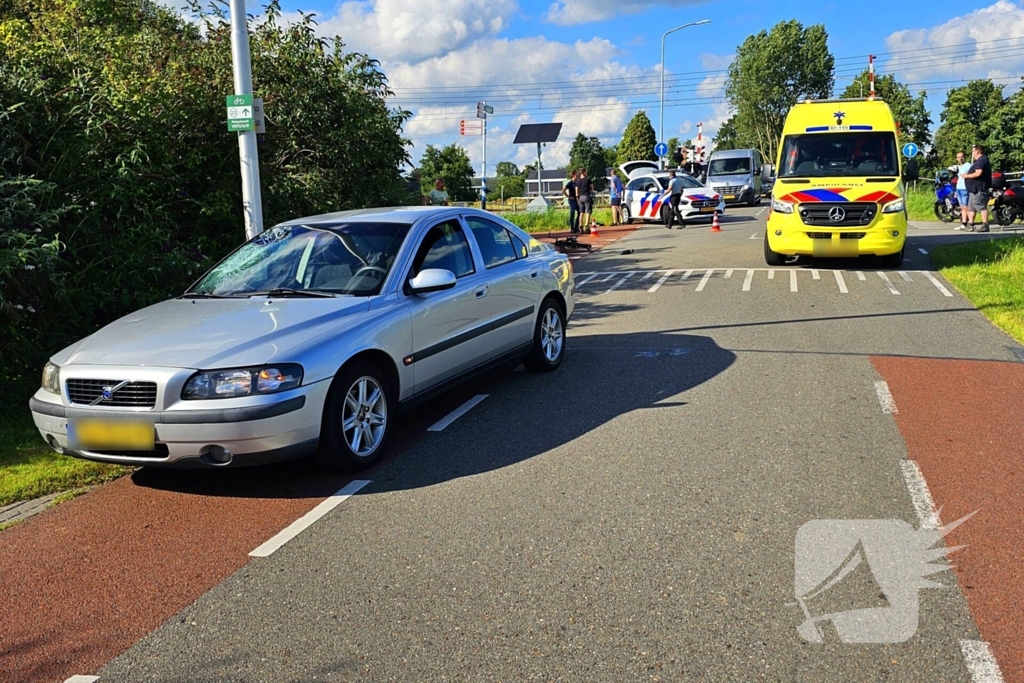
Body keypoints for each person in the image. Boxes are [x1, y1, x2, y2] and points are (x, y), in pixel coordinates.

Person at [961, 144, 991, 232]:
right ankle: (970, 224)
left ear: (977, 151)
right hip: (973, 189)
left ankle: (985, 224)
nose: (972, 153)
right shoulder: (979, 161)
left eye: (973, 151)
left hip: (978, 189)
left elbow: (978, 173)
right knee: (971, 208)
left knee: (981, 206)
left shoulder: (981, 161)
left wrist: (966, 176)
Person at [953, 151, 972, 230]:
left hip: (965, 188)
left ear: (964, 157)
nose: (960, 158)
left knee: (966, 207)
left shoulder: (968, 165)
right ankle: (964, 223)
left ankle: (971, 223)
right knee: (962, 207)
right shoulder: (959, 167)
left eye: (961, 157)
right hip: (959, 188)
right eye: (958, 157)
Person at [575, 168, 594, 233]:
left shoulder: (577, 181)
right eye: (586, 172)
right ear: (584, 172)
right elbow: (592, 188)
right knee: (588, 212)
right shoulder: (588, 179)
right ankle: (586, 226)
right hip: (586, 196)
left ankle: (580, 227)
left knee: (581, 213)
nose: (587, 173)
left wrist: (577, 198)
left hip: (580, 197)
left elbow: (576, 190)